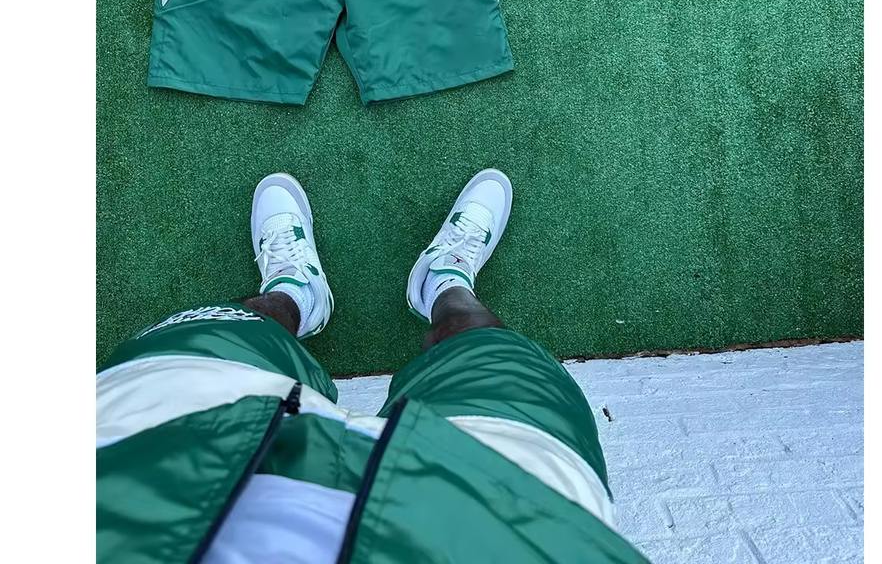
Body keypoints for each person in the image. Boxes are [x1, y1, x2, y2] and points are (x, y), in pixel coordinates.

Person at [97, 170, 647, 563]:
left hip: (149, 469)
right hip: (508, 522)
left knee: (239, 326)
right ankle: (446, 281)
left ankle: (295, 291)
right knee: (488, 346)